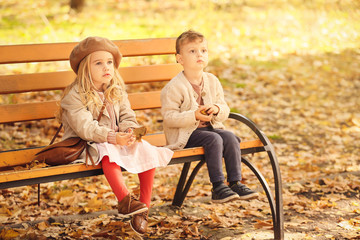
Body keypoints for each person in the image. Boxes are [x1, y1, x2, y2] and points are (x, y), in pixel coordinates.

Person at [58, 36, 173, 235]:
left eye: (110, 62)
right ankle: (125, 200)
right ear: (85, 67)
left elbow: (127, 114)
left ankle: (142, 209)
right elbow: (86, 128)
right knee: (107, 149)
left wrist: (129, 130)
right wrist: (112, 137)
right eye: (99, 63)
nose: (106, 68)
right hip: (86, 144)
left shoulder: (116, 90)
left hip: (115, 139)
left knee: (144, 148)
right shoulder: (74, 96)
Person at [160, 30, 258, 204]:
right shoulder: (174, 87)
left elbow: (225, 108)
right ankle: (218, 186)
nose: (200, 54)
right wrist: (193, 115)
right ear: (180, 59)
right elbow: (169, 117)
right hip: (185, 135)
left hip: (210, 129)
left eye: (203, 51)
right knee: (213, 139)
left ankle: (235, 182)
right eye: (192, 51)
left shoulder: (212, 80)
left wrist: (216, 109)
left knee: (229, 137)